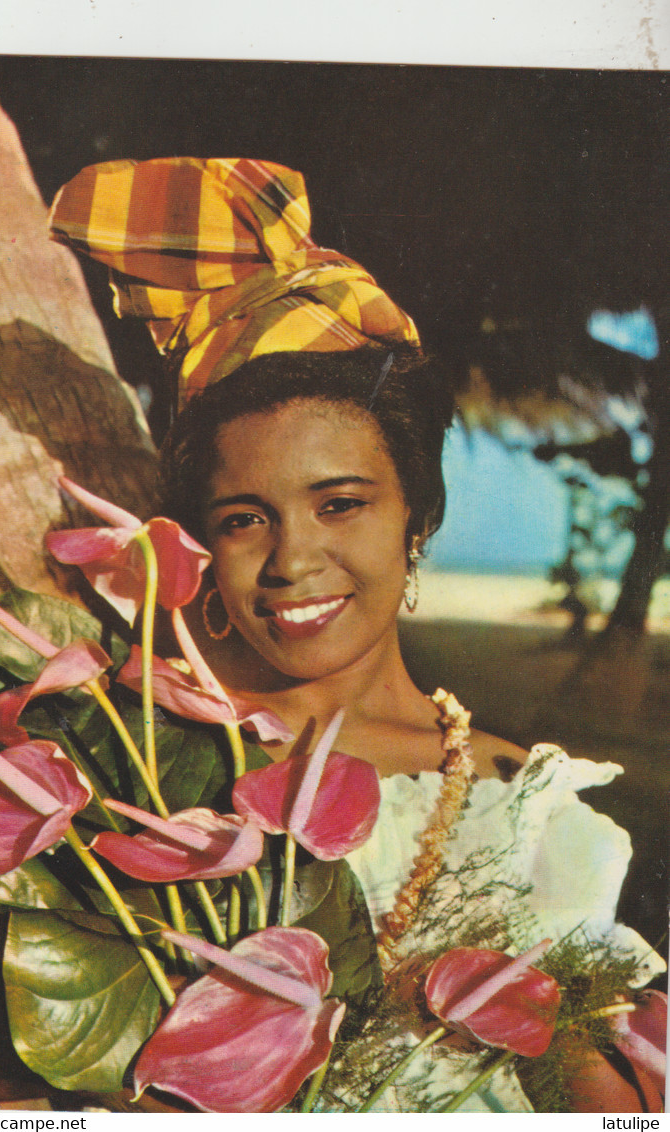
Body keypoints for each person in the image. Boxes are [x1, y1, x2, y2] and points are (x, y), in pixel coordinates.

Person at [48, 157, 667, 1111]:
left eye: (340, 504)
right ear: (201, 540)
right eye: (245, 518)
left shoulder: (523, 805)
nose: (293, 561)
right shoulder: (131, 751)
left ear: (417, 516)